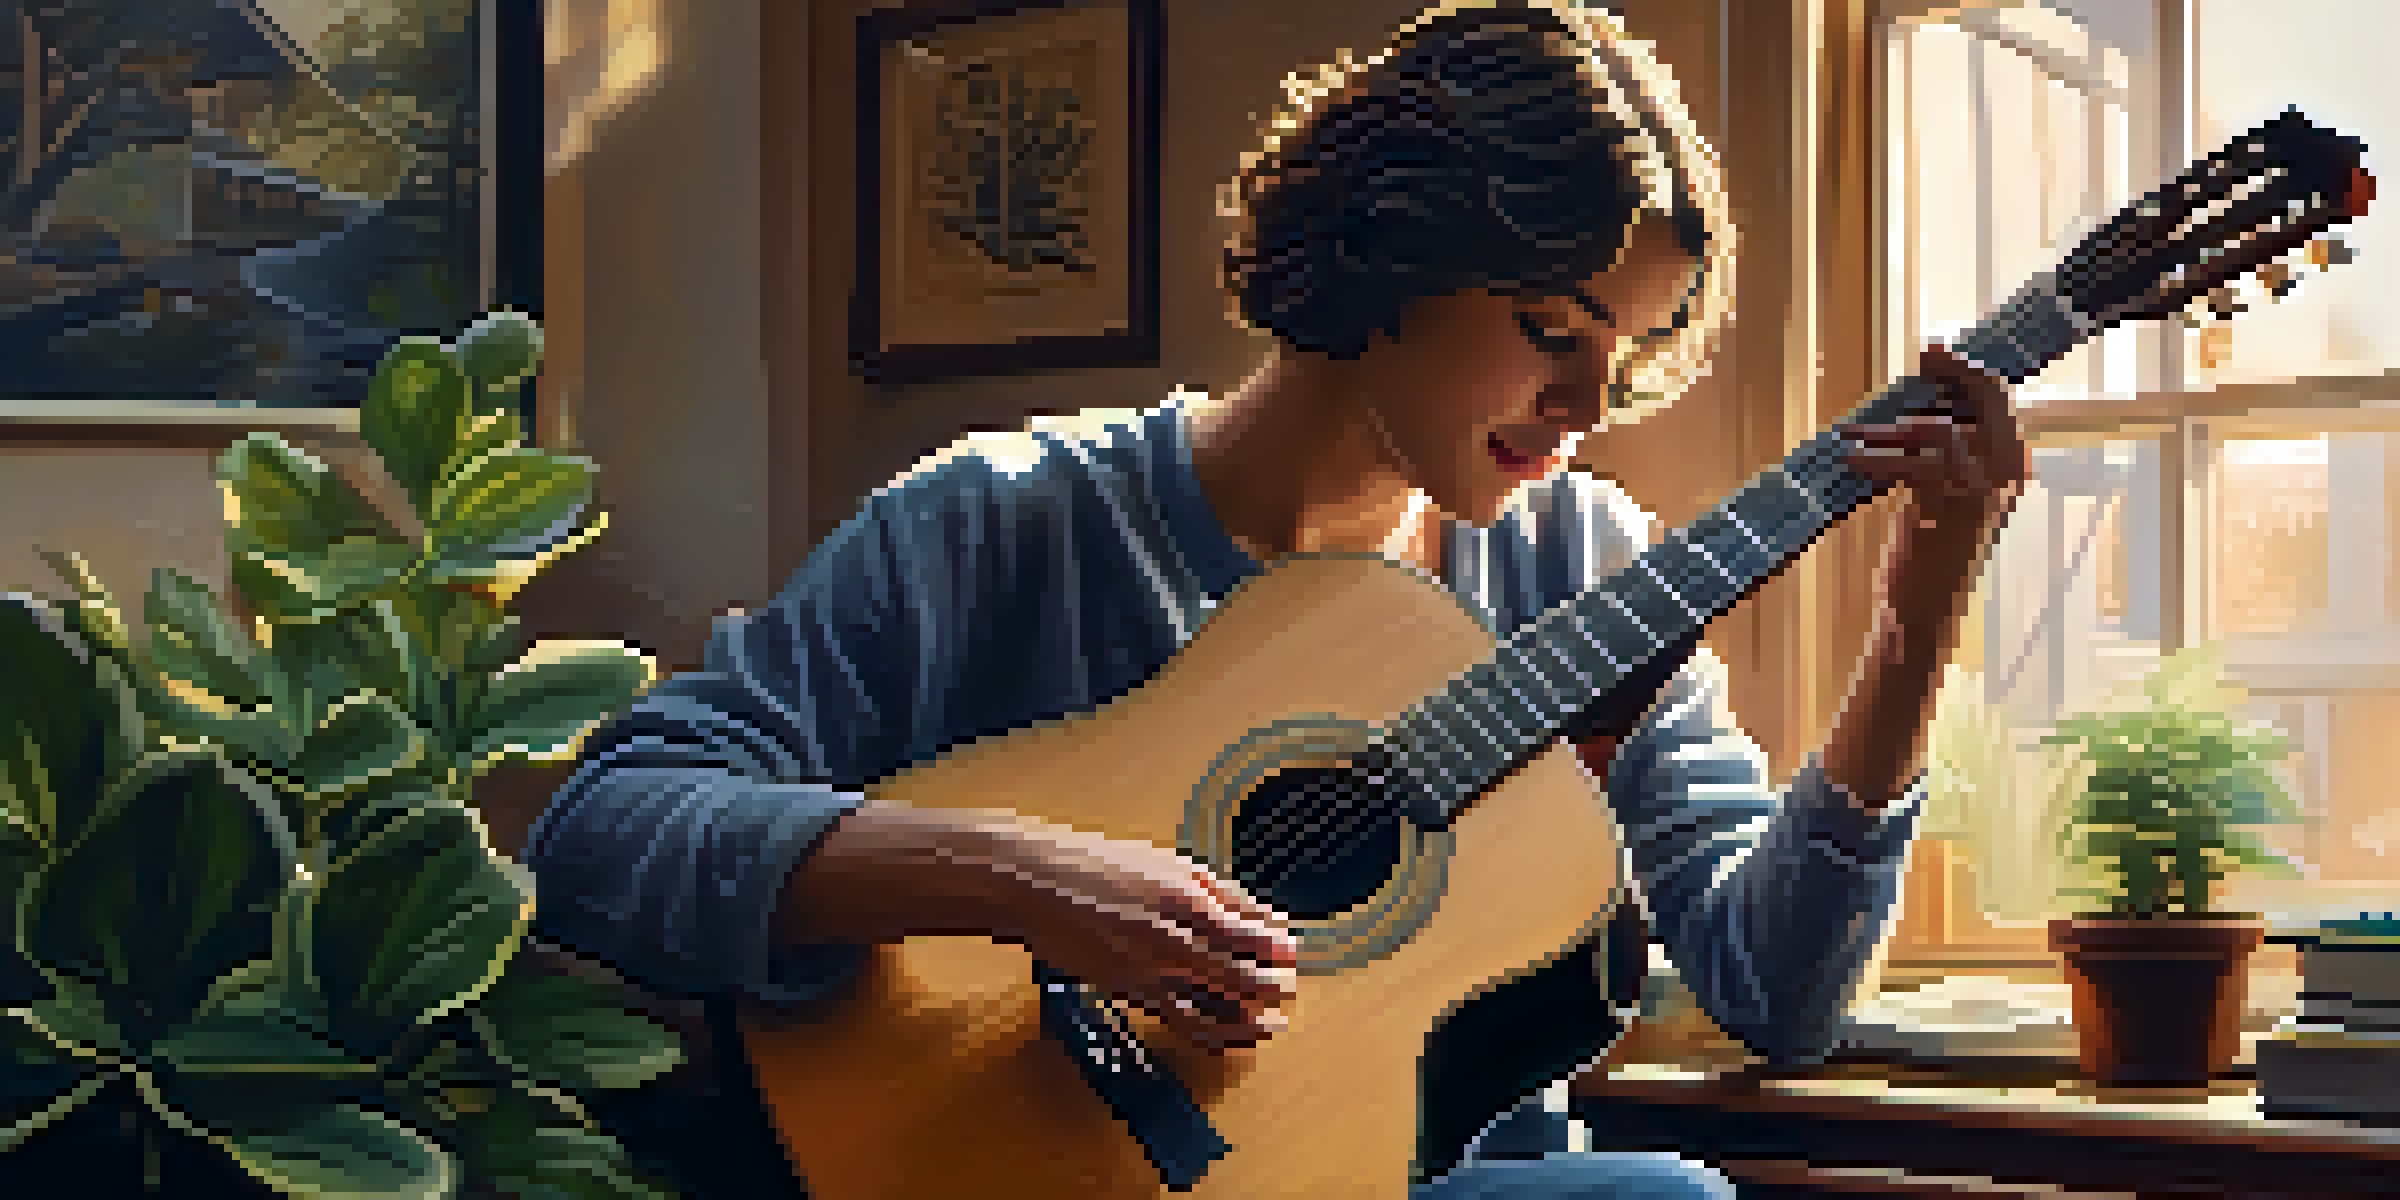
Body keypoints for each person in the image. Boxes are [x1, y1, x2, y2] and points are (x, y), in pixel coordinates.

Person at [523, 1, 2028, 1195]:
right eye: (1545, 328)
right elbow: (607, 832)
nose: (1588, 403)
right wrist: (1013, 875)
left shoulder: (1586, 568)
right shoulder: (1008, 517)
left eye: (1621, 353)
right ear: (1389, 247)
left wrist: (1918, 616)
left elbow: (1780, 993)